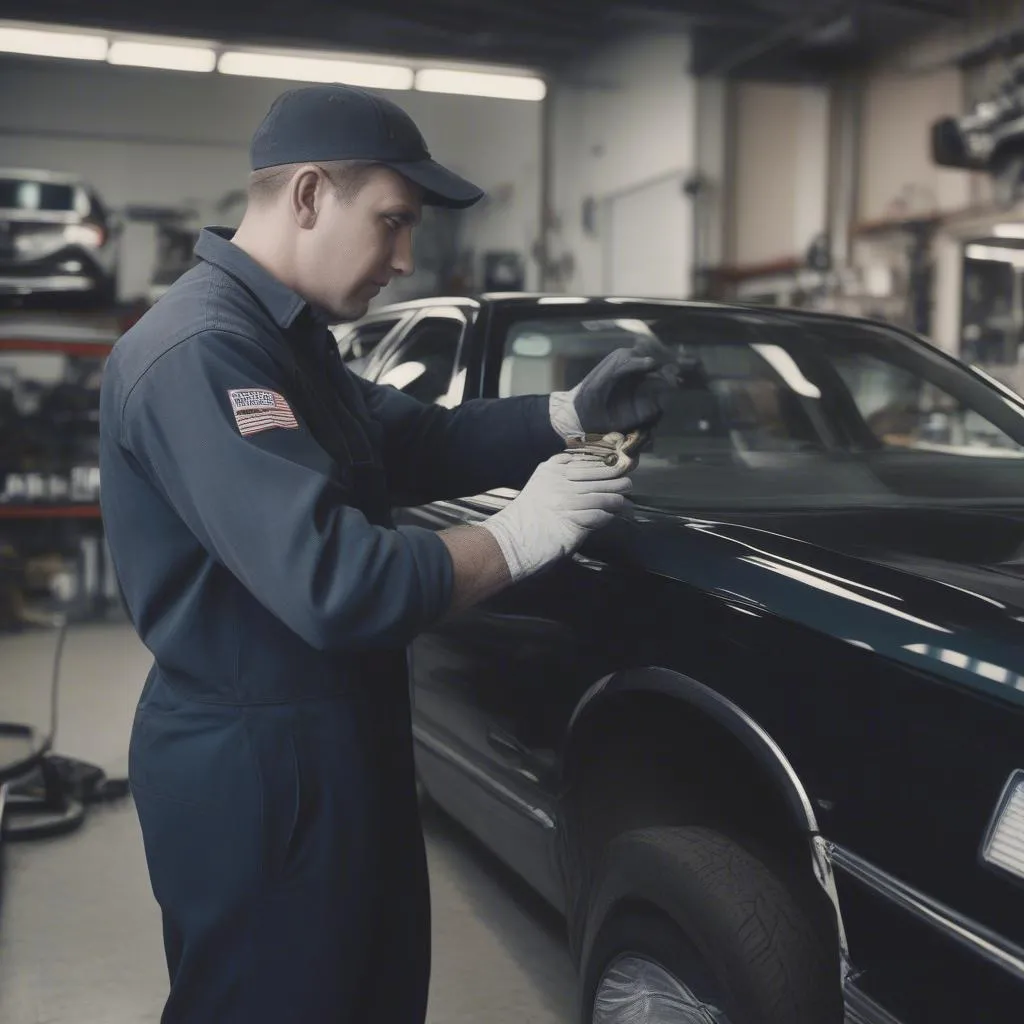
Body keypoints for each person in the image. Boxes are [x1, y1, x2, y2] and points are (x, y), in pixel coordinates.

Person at [98, 83, 676, 1023]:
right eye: (394, 223)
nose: (406, 260)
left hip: (336, 738)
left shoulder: (289, 343)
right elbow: (336, 583)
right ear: (310, 195)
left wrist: (568, 413)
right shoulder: (204, 352)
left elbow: (413, 443)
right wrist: (521, 534)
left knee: (370, 992)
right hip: (262, 769)